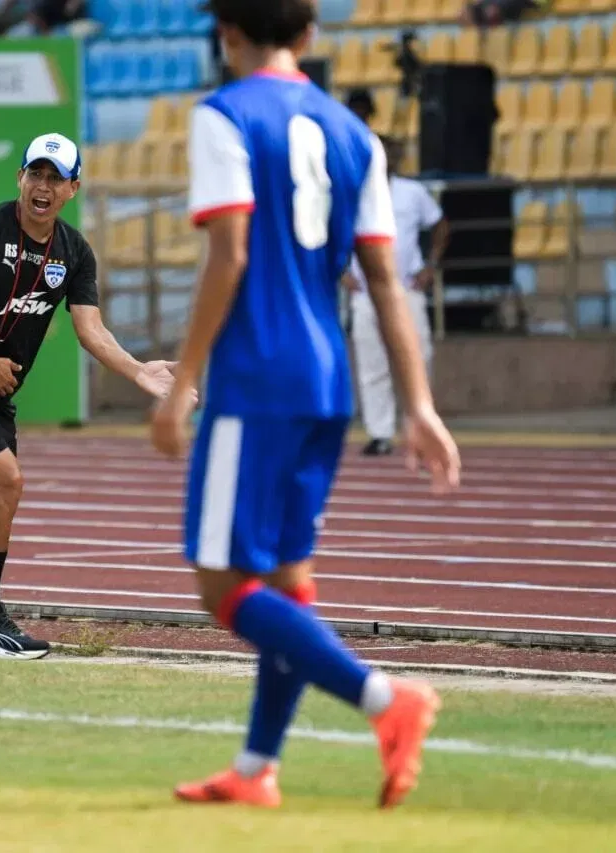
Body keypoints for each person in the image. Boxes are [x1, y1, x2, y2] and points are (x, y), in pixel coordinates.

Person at [147, 0, 461, 810]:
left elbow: (230, 254)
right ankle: (256, 769)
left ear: (227, 35)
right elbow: (386, 282)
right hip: (327, 381)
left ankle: (385, 699)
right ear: (310, 36)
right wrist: (419, 403)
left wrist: (182, 383)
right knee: (286, 577)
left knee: (220, 587)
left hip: (257, 380)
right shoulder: (358, 135)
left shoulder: (223, 115)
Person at [0, 132, 183, 660]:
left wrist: (139, 371)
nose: (44, 186)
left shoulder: (74, 251)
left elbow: (92, 331)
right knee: (6, 480)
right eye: (36, 174)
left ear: (73, 188)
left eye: (56, 178)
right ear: (20, 179)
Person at [344, 136, 449, 456]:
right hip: (364, 291)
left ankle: (420, 421)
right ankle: (380, 432)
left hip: (405, 287)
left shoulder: (412, 192)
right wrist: (341, 272)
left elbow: (441, 225)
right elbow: (331, 233)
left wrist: (430, 266)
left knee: (420, 354)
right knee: (371, 363)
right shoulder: (352, 193)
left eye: (388, 154)